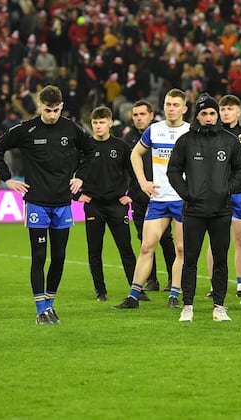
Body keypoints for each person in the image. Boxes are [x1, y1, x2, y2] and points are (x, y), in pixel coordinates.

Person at [0, 85, 95, 325]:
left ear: (62, 107)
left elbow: (90, 151)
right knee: (39, 257)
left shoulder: (71, 129)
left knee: (59, 257)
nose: (52, 115)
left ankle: (50, 305)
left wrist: (80, 176)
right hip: (36, 203)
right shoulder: (26, 129)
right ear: (40, 107)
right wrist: (7, 179)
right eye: (48, 110)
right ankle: (40, 310)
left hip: (62, 204)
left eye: (56, 110)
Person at [167, 93, 241, 322]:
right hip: (193, 210)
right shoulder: (186, 141)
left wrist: (228, 188)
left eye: (213, 113)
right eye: (204, 113)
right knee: (190, 259)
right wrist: (186, 193)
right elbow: (173, 170)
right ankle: (188, 305)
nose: (209, 117)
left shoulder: (229, 140)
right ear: (198, 115)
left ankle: (219, 306)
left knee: (220, 259)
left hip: (222, 209)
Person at [113, 88, 189, 310]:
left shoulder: (191, 132)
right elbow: (135, 154)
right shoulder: (154, 130)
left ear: (184, 108)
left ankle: (174, 294)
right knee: (147, 246)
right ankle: (133, 296)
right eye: (168, 104)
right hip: (158, 200)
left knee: (181, 248)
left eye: (175, 105)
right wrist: (143, 181)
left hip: (182, 200)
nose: (171, 108)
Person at [77, 106, 137, 302]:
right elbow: (65, 173)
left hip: (117, 205)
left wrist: (131, 196)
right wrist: (76, 196)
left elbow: (136, 173)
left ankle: (136, 290)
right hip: (93, 205)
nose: (98, 126)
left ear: (110, 123)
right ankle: (100, 292)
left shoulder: (121, 146)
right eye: (95, 123)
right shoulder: (84, 148)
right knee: (94, 250)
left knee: (126, 248)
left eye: (102, 122)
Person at [205, 94, 241, 299]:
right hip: (216, 193)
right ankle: (213, 286)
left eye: (230, 108)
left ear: (239, 111)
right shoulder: (211, 133)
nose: (226, 112)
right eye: (223, 109)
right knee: (214, 241)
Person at [125, 100, 176, 293]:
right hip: (139, 197)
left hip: (161, 195)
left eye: (142, 114)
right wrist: (130, 192)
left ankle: (173, 277)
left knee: (166, 239)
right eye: (135, 115)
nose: (138, 118)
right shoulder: (129, 139)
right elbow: (125, 169)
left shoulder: (159, 134)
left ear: (151, 114)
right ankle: (151, 279)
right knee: (144, 240)